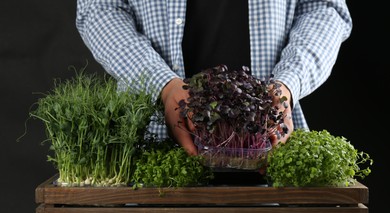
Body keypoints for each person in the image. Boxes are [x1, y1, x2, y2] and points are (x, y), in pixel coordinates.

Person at [76, 0, 352, 156]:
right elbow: (100, 8)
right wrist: (161, 84)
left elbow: (323, 7)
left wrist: (290, 80)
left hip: (270, 143)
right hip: (157, 140)